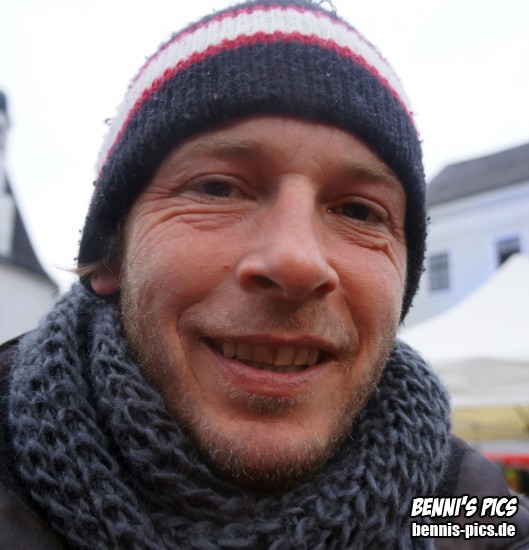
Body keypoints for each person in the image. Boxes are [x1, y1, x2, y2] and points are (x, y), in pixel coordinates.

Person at [1, 1, 528, 548]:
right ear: (112, 253)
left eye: (358, 211)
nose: (297, 263)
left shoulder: (468, 511)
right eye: (217, 188)